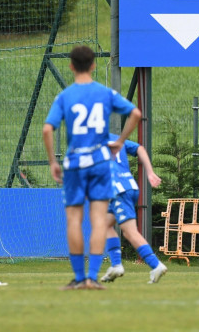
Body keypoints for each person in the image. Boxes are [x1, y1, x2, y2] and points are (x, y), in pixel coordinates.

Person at [42, 45, 141, 290]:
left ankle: (78, 278)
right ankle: (92, 278)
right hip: (99, 164)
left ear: (71, 66)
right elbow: (136, 113)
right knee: (99, 221)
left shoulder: (65, 96)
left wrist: (53, 162)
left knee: (74, 220)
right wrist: (119, 141)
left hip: (75, 163)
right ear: (94, 65)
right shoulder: (105, 93)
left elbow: (47, 129)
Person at [99, 133, 168, 284]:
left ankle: (156, 265)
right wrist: (150, 172)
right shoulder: (115, 138)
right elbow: (140, 149)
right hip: (129, 187)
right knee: (105, 224)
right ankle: (116, 265)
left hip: (118, 191)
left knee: (130, 232)